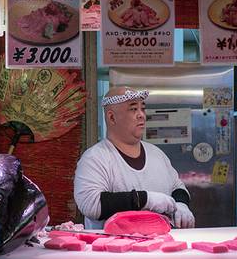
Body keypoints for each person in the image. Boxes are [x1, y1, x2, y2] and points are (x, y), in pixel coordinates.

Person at [74, 87, 195, 230]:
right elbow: (92, 204)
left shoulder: (156, 154)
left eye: (142, 109)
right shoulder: (95, 158)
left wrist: (181, 204)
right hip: (114, 249)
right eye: (133, 109)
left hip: (161, 247)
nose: (141, 115)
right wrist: (145, 199)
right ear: (112, 117)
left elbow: (177, 187)